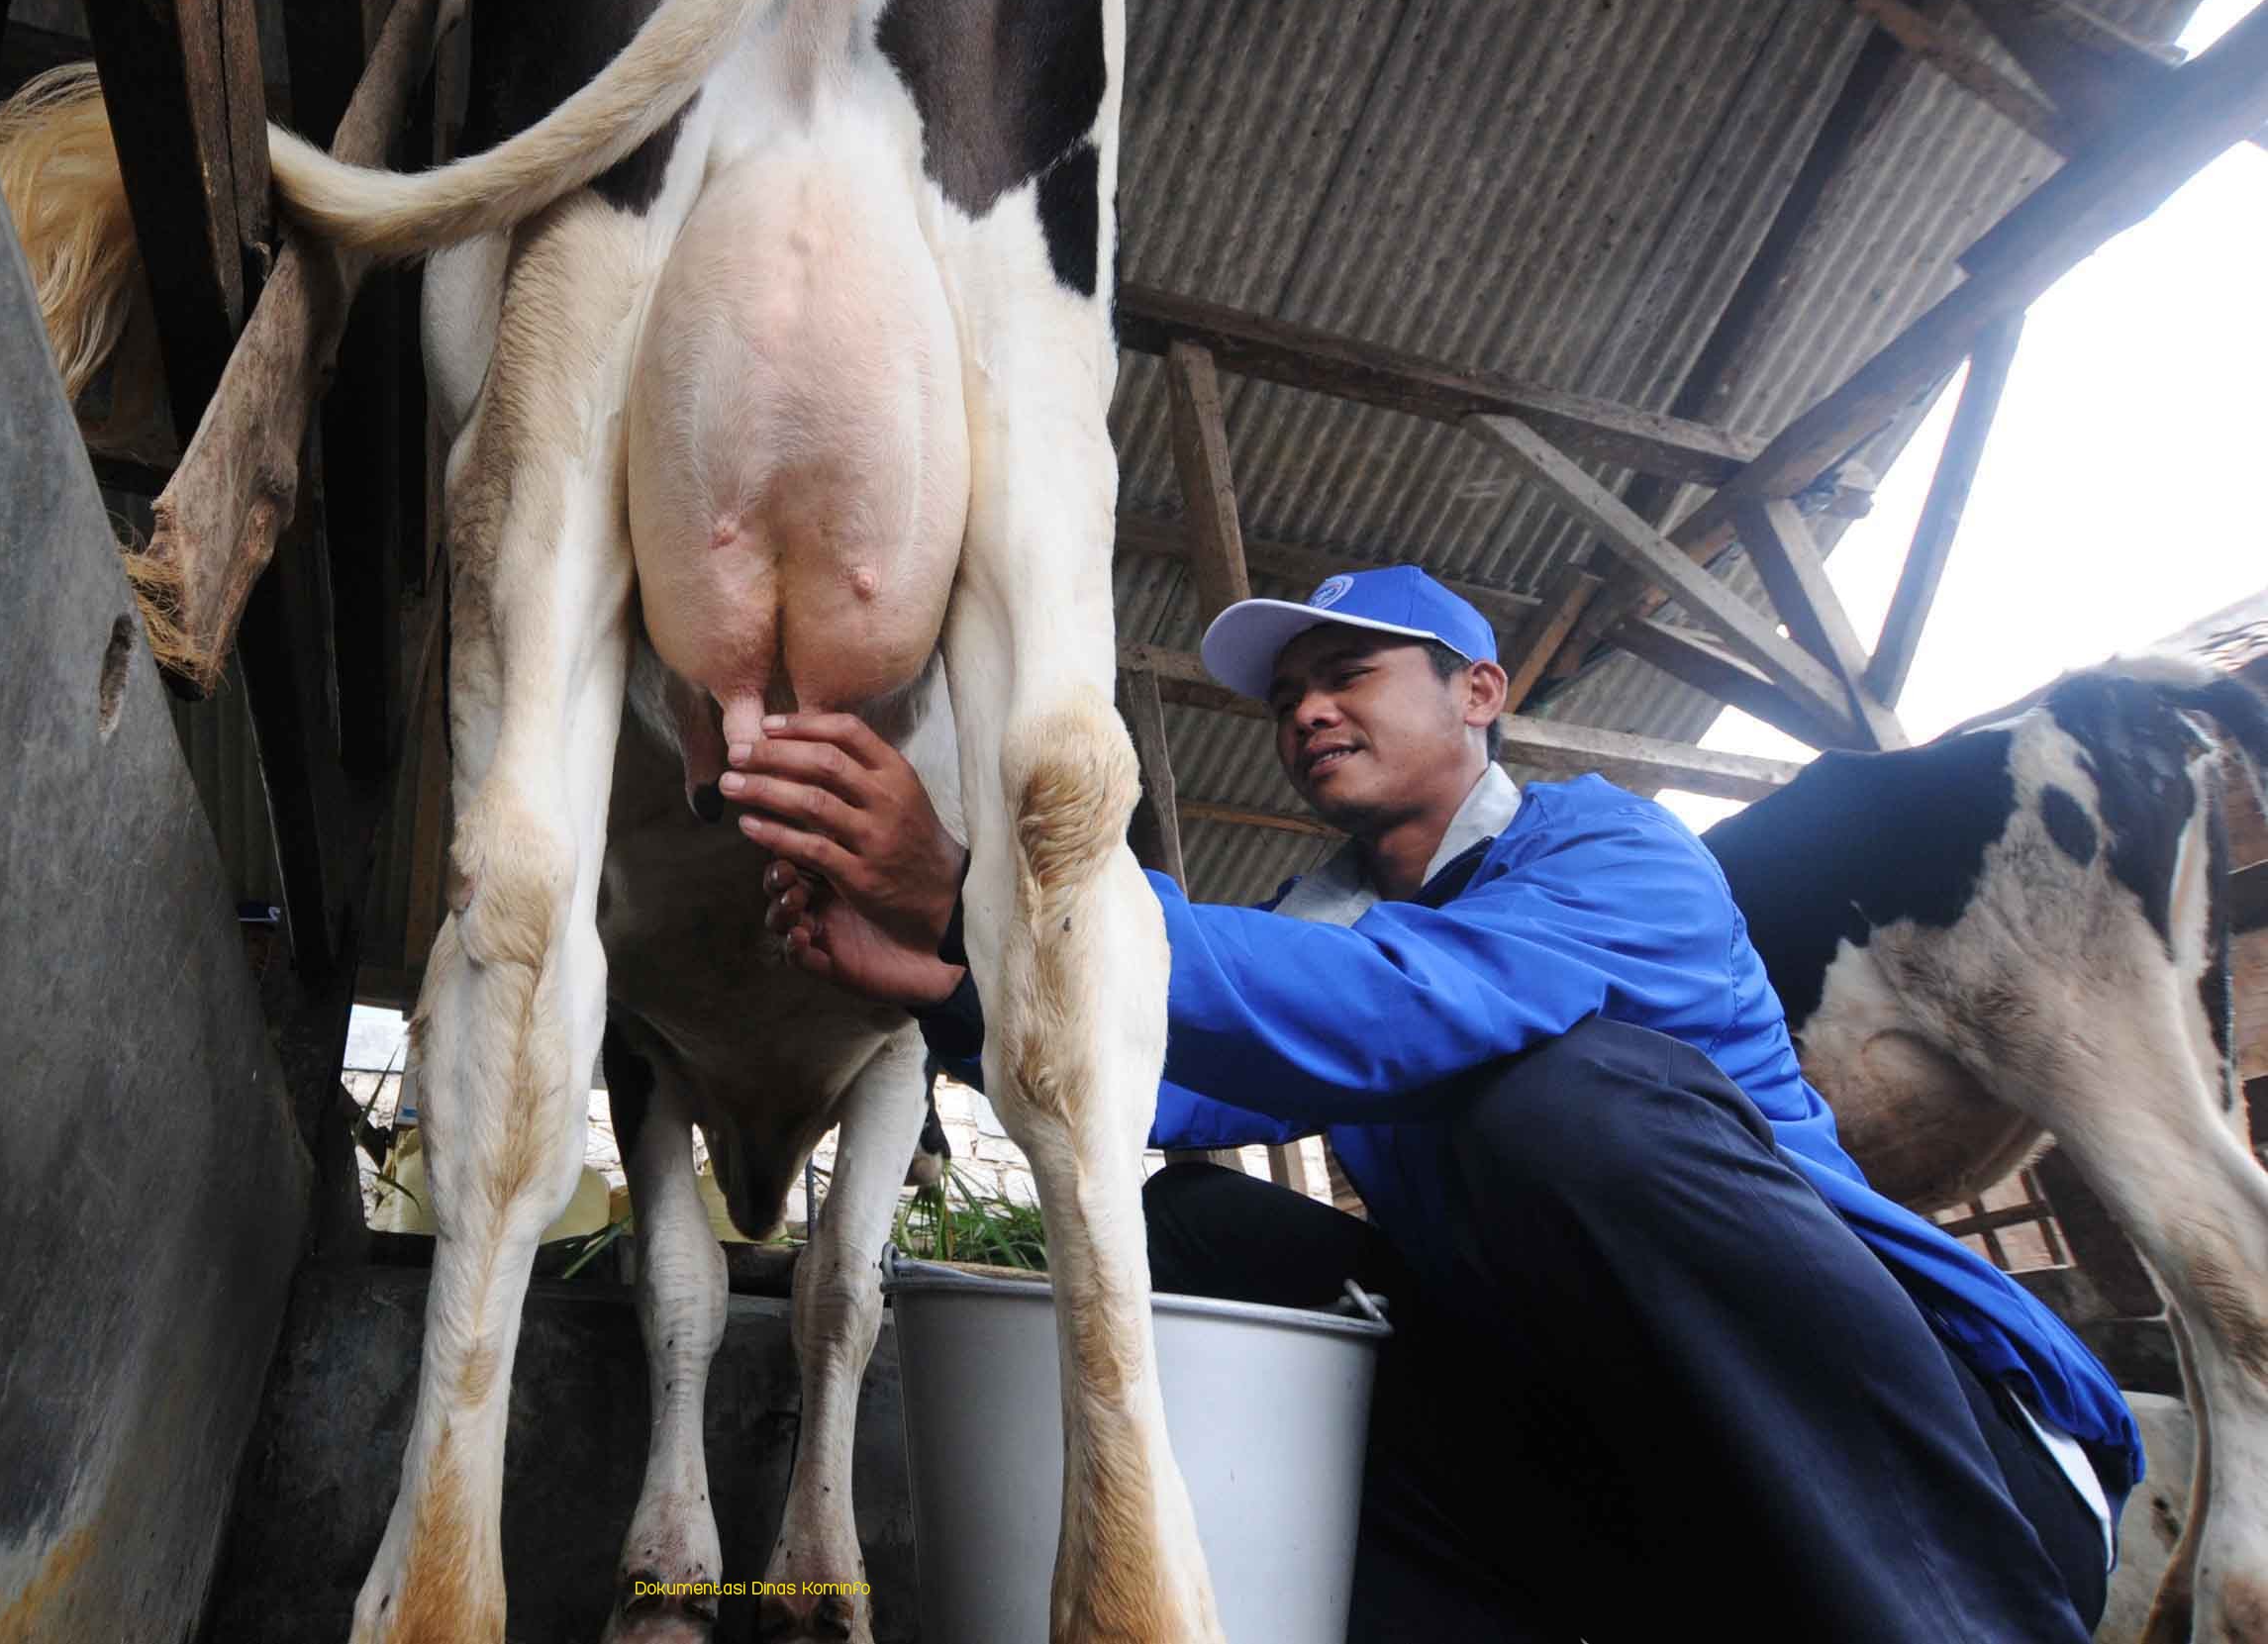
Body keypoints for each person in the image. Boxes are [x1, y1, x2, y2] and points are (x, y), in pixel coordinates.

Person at [720, 565, 2133, 1642]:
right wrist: (952, 981)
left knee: (1563, 1105)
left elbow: (1405, 1003)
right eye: (1285, 697)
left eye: (1348, 671)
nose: (1306, 709)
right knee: (1205, 1231)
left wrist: (994, 892)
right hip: (1657, 1507)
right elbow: (1175, 1078)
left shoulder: (1611, 851)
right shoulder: (1335, 922)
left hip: (1958, 1480)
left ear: (1480, 691)